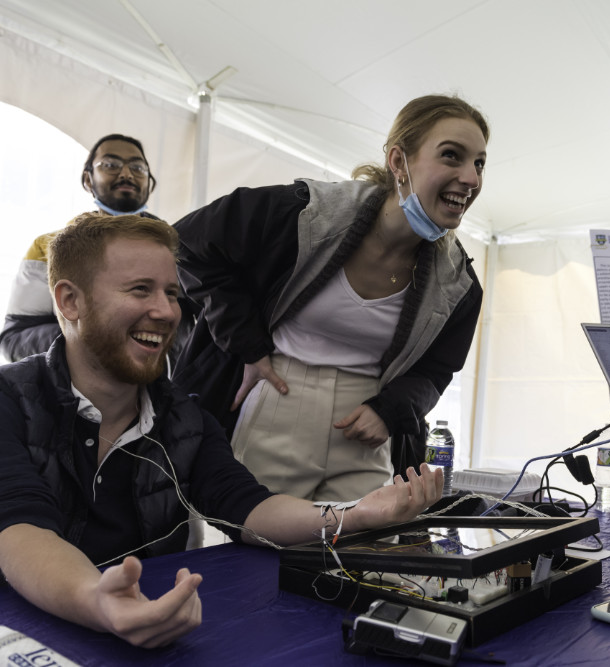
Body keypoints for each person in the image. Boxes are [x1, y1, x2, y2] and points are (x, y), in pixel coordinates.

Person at [0, 213, 442, 648]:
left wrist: (357, 514)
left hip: (121, 627)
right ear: (69, 301)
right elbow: (19, 530)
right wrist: (97, 600)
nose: (167, 311)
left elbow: (249, 508)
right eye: (140, 290)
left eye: (173, 293)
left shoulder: (184, 418)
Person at [173, 94, 487, 501]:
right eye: (451, 156)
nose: (472, 178)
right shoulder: (303, 214)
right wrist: (246, 345)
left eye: (479, 163)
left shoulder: (459, 285)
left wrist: (389, 411)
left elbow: (436, 370)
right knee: (259, 546)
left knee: (366, 558)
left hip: (367, 423)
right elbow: (188, 243)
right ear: (398, 162)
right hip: (280, 396)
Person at [0, 133, 195, 362]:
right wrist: (93, 335)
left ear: (150, 183)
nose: (126, 173)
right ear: (88, 179)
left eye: (138, 167)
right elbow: (14, 339)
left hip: (164, 390)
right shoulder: (46, 248)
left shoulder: (182, 249)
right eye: (110, 165)